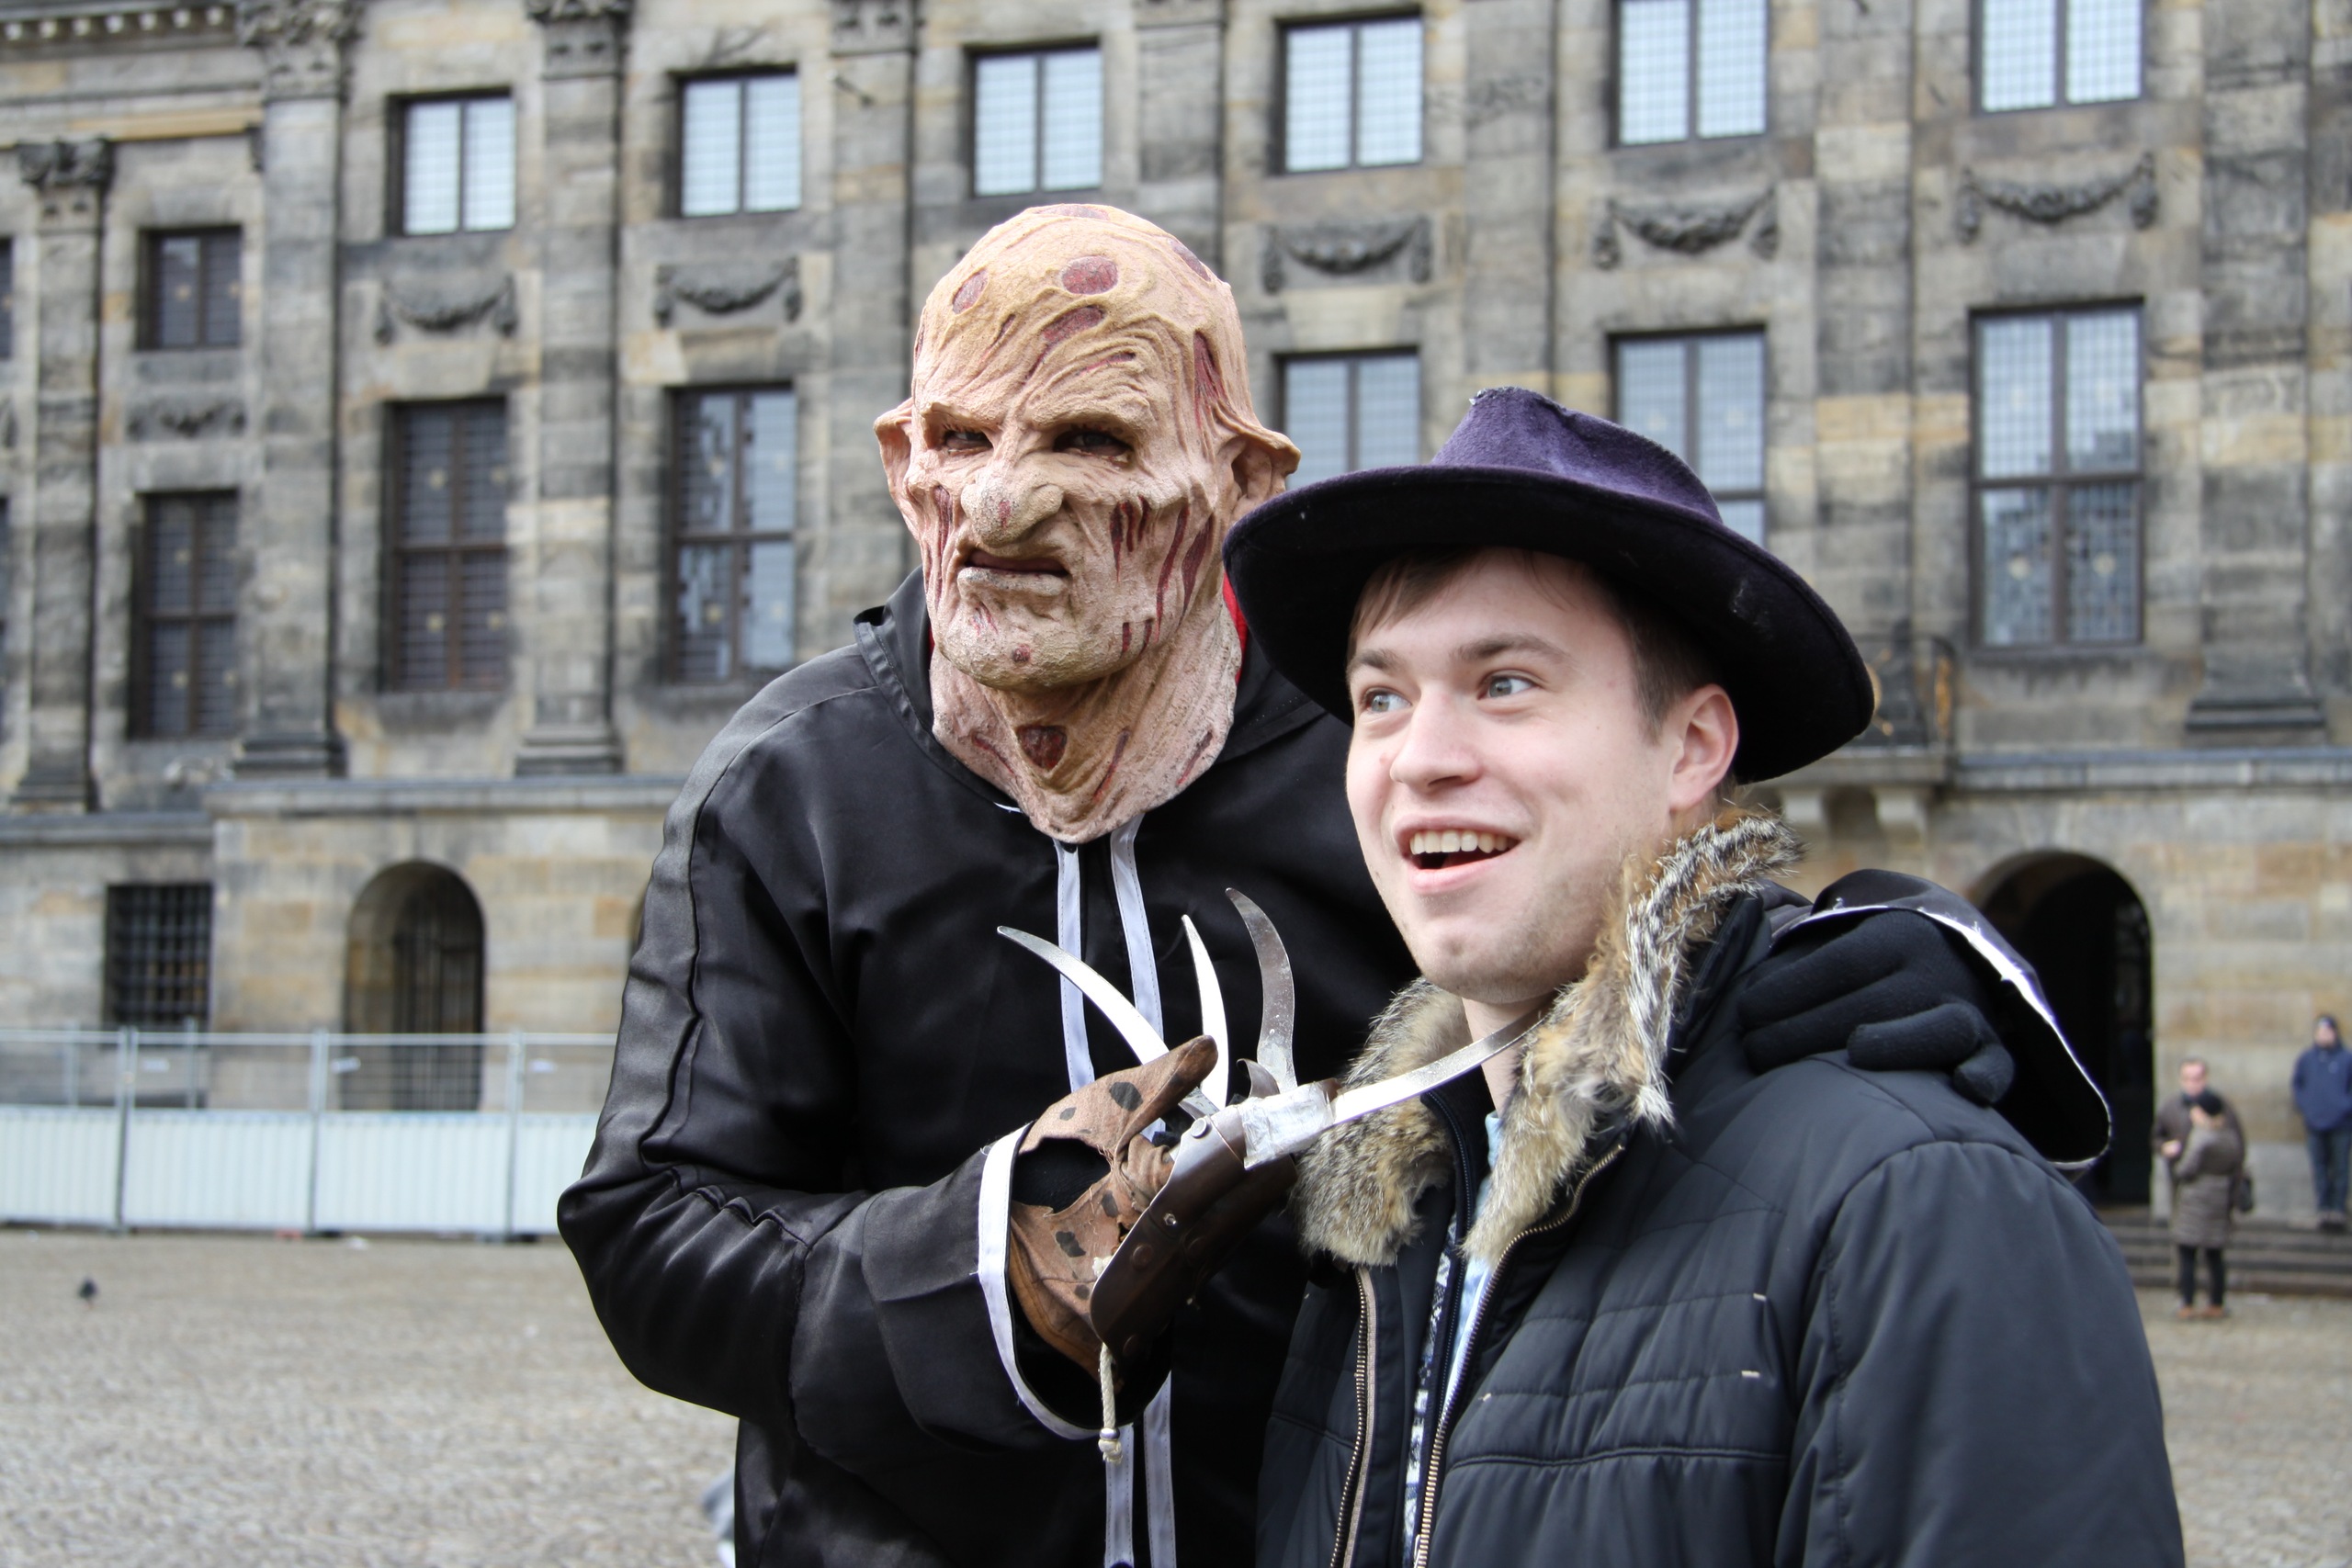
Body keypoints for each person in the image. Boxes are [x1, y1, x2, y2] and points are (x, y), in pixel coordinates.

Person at [560, 209, 2045, 1568]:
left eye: (1090, 439)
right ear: (900, 461)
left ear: (1241, 483)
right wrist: (974, 1275)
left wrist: (1909, 947)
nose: (1002, 501)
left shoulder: (1373, 751)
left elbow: (1607, 941)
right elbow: (648, 1221)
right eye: (958, 437)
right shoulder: (790, 787)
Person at [1227, 387, 2180, 1566]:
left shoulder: (1922, 1202)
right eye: (1381, 698)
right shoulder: (1378, 1219)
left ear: (1691, 748)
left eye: (1505, 682)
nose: (1419, 758)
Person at [2167, 1089, 2243, 1317]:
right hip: (2219, 1196)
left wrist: (2176, 1163)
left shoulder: (2202, 1137)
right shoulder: (2229, 1137)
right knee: (2214, 1253)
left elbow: (2186, 1168)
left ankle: (2187, 1303)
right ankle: (2216, 1302)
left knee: (2187, 1252)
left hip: (2196, 1198)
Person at [2291, 1014, 2350, 1231]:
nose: (2324, 1035)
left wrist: (2344, 1106)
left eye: (2327, 1031)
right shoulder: (2307, 1059)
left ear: (2335, 1033)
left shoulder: (2346, 1059)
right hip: (2315, 1123)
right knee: (2320, 1168)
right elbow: (2297, 1085)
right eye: (2320, 1032)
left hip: (2341, 1124)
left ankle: (2338, 1208)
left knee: (2340, 1168)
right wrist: (2306, 1107)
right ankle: (2323, 1208)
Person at [2154, 1055, 2241, 1168]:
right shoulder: (2170, 1107)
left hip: (2215, 1172)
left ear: (2205, 1078)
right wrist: (2164, 1147)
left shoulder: (2219, 1105)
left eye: (2197, 1079)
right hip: (2182, 1171)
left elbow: (2236, 1142)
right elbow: (2156, 1137)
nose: (2192, 1084)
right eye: (2187, 1079)